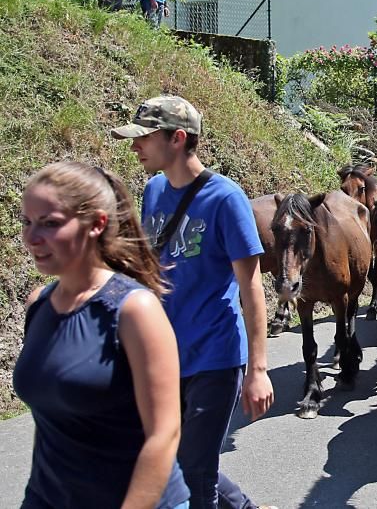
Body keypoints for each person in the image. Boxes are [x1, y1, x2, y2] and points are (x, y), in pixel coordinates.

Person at [111, 96, 275, 507]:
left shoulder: (225, 199)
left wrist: (258, 370)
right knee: (176, 459)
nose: (135, 147)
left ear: (178, 138)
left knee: (193, 473)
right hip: (165, 357)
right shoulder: (152, 191)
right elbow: (146, 271)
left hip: (215, 357)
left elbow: (251, 287)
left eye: (144, 138)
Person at [14, 162, 189, 507]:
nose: (32, 237)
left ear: (96, 224)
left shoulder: (134, 309)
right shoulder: (39, 304)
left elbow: (164, 434)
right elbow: (53, 419)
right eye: (27, 222)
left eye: (49, 223)